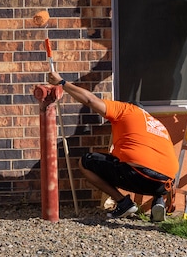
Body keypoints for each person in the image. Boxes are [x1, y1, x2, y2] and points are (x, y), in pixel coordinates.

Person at [47, 71, 179, 221]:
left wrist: (62, 83)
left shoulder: (125, 109)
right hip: (165, 183)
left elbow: (90, 100)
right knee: (153, 165)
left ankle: (124, 203)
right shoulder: (156, 124)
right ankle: (158, 201)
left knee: (86, 162)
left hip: (137, 174)